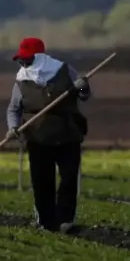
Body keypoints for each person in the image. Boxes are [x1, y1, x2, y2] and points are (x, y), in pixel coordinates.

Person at [6, 37, 91, 234]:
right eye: (21, 60)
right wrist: (12, 127)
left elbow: (84, 96)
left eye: (26, 60)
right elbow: (13, 109)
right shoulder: (21, 81)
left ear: (40, 57)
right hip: (37, 136)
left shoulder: (64, 71)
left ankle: (65, 219)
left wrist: (83, 87)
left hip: (67, 132)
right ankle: (46, 222)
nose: (23, 63)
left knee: (69, 177)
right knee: (41, 180)